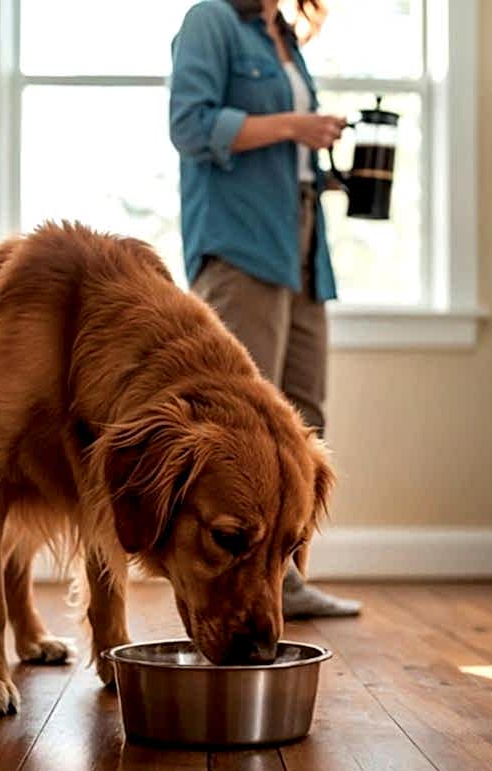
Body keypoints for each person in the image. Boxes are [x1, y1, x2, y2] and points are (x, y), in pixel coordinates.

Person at [169, 0, 360, 618]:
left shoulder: (285, 37)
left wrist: (319, 169)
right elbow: (190, 126)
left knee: (304, 416)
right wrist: (292, 127)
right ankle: (226, 591)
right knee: (242, 423)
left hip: (301, 239)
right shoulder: (213, 20)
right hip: (241, 242)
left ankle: (285, 586)